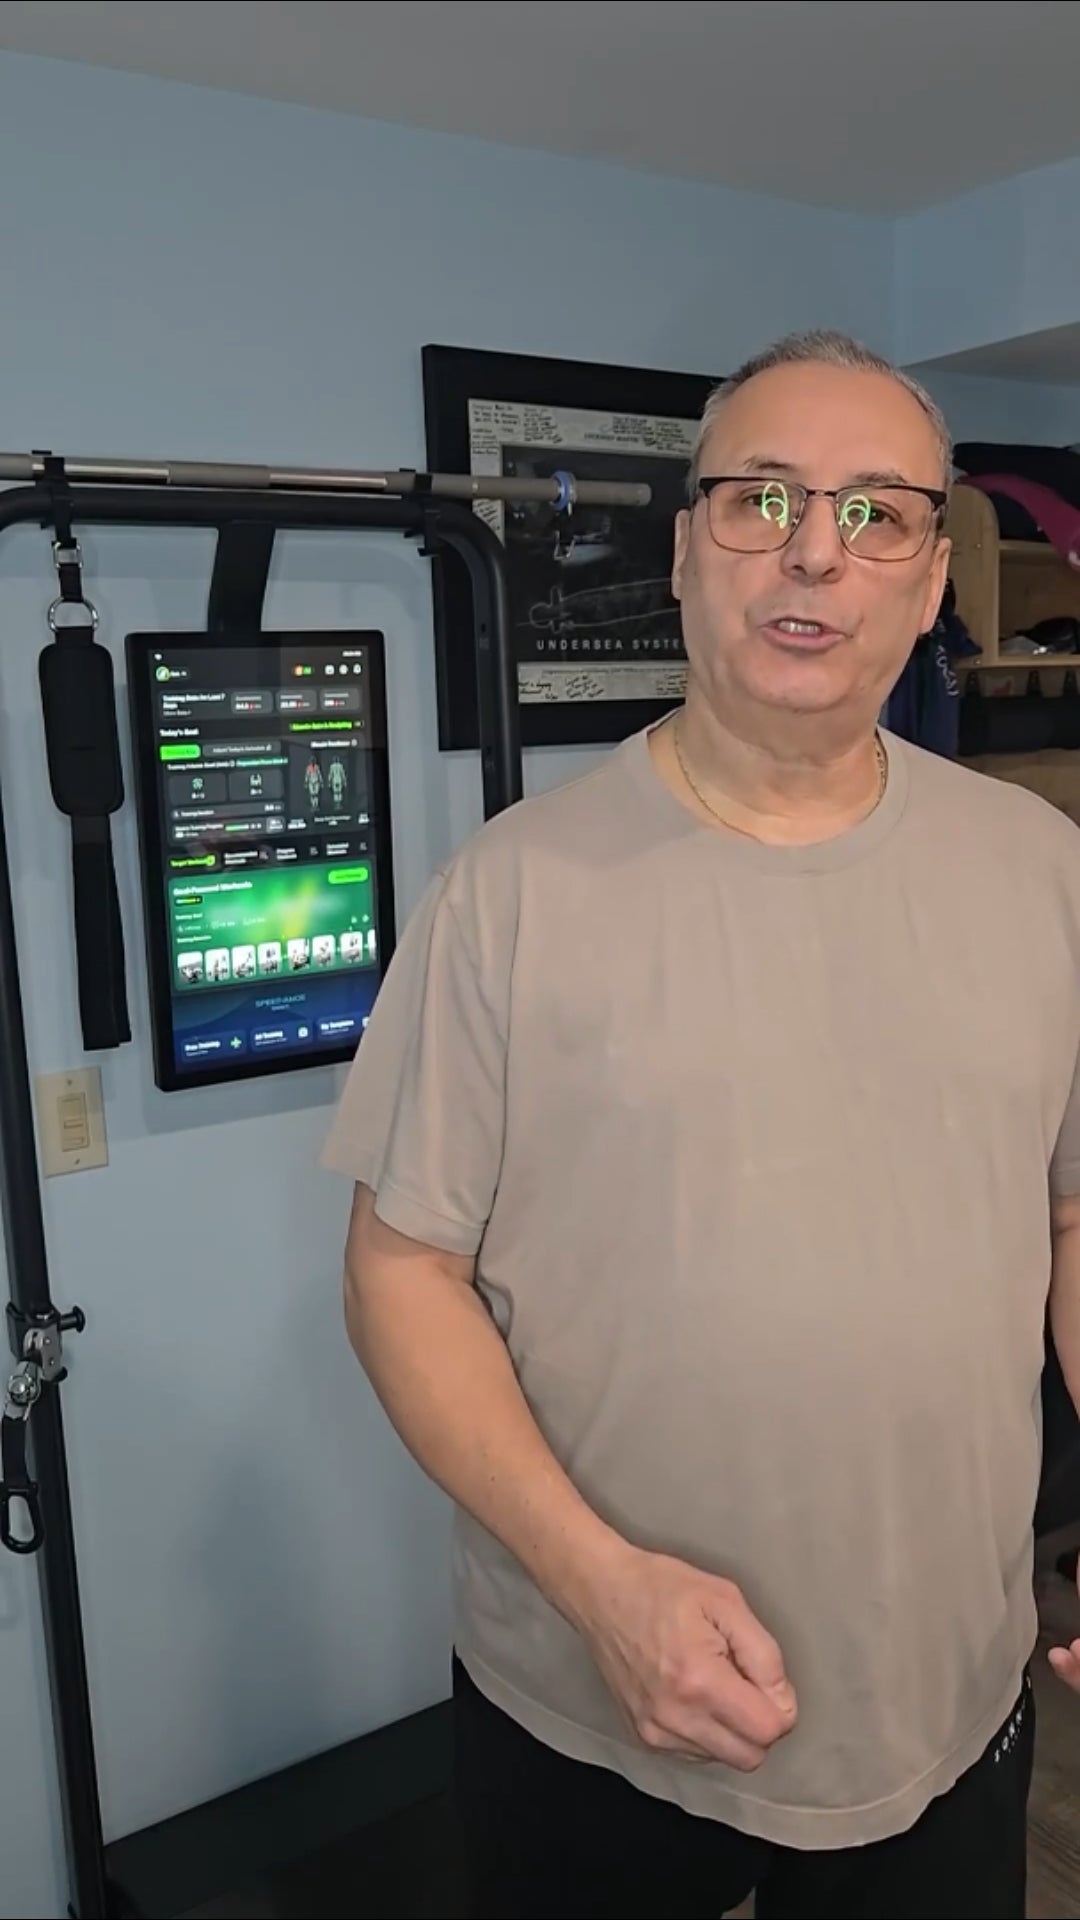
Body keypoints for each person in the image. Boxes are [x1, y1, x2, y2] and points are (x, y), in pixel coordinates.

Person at [322, 329, 1080, 1920]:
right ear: (684, 551)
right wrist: (602, 1590)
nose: (817, 550)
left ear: (935, 578)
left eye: (880, 510)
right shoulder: (511, 896)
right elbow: (401, 1274)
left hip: (935, 1688)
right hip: (590, 1700)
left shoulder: (1042, 874)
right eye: (765, 498)